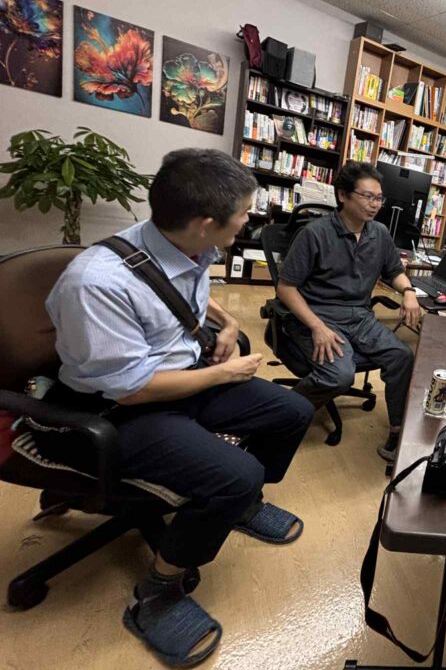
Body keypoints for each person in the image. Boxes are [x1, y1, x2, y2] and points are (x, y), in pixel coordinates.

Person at [45, 148, 314, 666]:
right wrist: (223, 373)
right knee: (235, 474)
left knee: (292, 412)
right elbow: (130, 390)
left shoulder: (183, 244)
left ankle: (242, 505)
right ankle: (156, 592)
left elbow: (186, 294)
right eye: (244, 214)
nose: (249, 220)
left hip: (182, 377)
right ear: (206, 223)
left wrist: (227, 326)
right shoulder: (96, 281)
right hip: (117, 409)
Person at [276, 161, 421, 462]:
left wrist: (408, 292)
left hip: (359, 316)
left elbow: (394, 271)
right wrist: (317, 326)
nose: (375, 204)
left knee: (402, 356)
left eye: (379, 198)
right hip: (317, 316)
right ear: (343, 195)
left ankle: (397, 430)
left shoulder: (379, 233)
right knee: (340, 376)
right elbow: (286, 288)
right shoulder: (315, 234)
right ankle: (280, 415)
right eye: (368, 197)